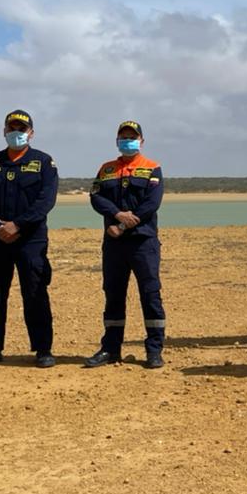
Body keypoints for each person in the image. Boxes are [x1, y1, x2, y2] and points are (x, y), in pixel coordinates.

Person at [0, 109, 58, 368]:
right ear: (4, 131)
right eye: (12, 128)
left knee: (35, 293)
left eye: (22, 128)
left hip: (31, 240)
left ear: (31, 133)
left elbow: (45, 201)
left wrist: (17, 225)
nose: (16, 132)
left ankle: (42, 350)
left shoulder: (43, 163)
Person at [85, 120, 167, 370]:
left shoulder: (152, 168)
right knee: (113, 295)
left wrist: (123, 224)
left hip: (143, 242)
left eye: (133, 136)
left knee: (150, 295)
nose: (128, 140)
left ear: (141, 140)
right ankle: (111, 349)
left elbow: (151, 203)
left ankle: (154, 350)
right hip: (114, 245)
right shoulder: (106, 169)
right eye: (123, 136)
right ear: (117, 140)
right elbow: (96, 196)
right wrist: (116, 216)